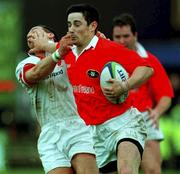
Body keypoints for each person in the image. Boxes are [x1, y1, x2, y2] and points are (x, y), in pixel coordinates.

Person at [28, 4, 154, 174]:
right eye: (69, 25)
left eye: (77, 24)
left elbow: (146, 68)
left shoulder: (109, 48)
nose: (71, 29)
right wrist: (36, 40)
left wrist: (125, 86)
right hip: (92, 134)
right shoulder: (67, 51)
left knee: (126, 170)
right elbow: (50, 46)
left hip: (123, 123)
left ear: (92, 26)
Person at [15, 25, 99, 174]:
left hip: (78, 125)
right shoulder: (25, 64)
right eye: (28, 35)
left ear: (50, 35)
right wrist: (57, 54)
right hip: (49, 132)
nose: (30, 35)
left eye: (34, 32)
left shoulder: (71, 52)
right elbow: (34, 74)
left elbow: (92, 50)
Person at [112, 13, 174, 174]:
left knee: (152, 170)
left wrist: (157, 112)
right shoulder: (105, 60)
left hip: (144, 119)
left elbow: (165, 94)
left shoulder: (150, 61)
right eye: (117, 36)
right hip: (112, 120)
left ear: (135, 35)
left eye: (126, 36)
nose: (121, 41)